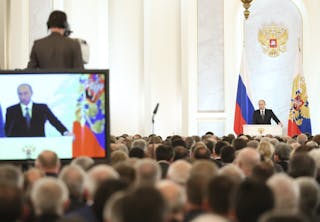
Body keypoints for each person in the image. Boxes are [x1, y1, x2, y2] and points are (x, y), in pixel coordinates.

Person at [5, 83, 70, 137]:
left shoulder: (42, 108)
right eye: (20, 94)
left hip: (39, 143)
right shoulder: (11, 110)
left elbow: (54, 121)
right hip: (18, 144)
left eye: (25, 93)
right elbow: (7, 129)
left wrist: (65, 132)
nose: (23, 97)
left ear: (31, 93)